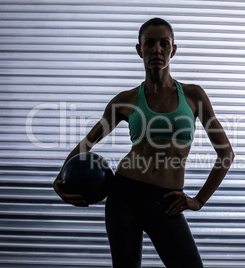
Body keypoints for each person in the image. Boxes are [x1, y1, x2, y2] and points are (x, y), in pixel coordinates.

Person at [53, 18, 235, 268]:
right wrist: (60, 178)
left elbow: (226, 154)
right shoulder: (125, 100)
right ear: (139, 50)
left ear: (174, 49)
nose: (157, 50)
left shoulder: (193, 96)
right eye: (149, 43)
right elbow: (87, 143)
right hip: (124, 196)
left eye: (164, 43)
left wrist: (199, 200)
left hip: (166, 201)